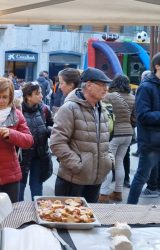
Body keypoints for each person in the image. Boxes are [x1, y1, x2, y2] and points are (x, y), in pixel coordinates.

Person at [50, 67, 114, 203]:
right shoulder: (69, 108)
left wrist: (108, 161)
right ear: (89, 86)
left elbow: (104, 139)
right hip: (73, 180)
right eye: (102, 85)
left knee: (89, 220)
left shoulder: (100, 108)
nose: (106, 89)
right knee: (67, 221)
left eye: (107, 85)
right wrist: (78, 165)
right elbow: (57, 143)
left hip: (95, 180)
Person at [127, 53, 160, 204]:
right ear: (157, 66)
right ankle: (129, 212)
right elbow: (143, 115)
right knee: (141, 177)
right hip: (151, 143)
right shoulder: (146, 87)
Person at [98, 75, 136, 203]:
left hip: (114, 134)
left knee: (108, 163)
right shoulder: (132, 98)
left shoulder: (110, 96)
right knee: (119, 162)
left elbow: (102, 112)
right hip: (128, 134)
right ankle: (118, 192)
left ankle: (103, 194)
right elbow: (134, 118)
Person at [19, 82, 54, 201]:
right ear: (28, 96)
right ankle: (19, 217)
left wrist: (49, 130)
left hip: (40, 155)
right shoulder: (17, 110)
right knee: (19, 188)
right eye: (37, 93)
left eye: (41, 93)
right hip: (21, 157)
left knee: (37, 190)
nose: (41, 96)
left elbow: (52, 126)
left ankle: (38, 216)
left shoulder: (44, 109)